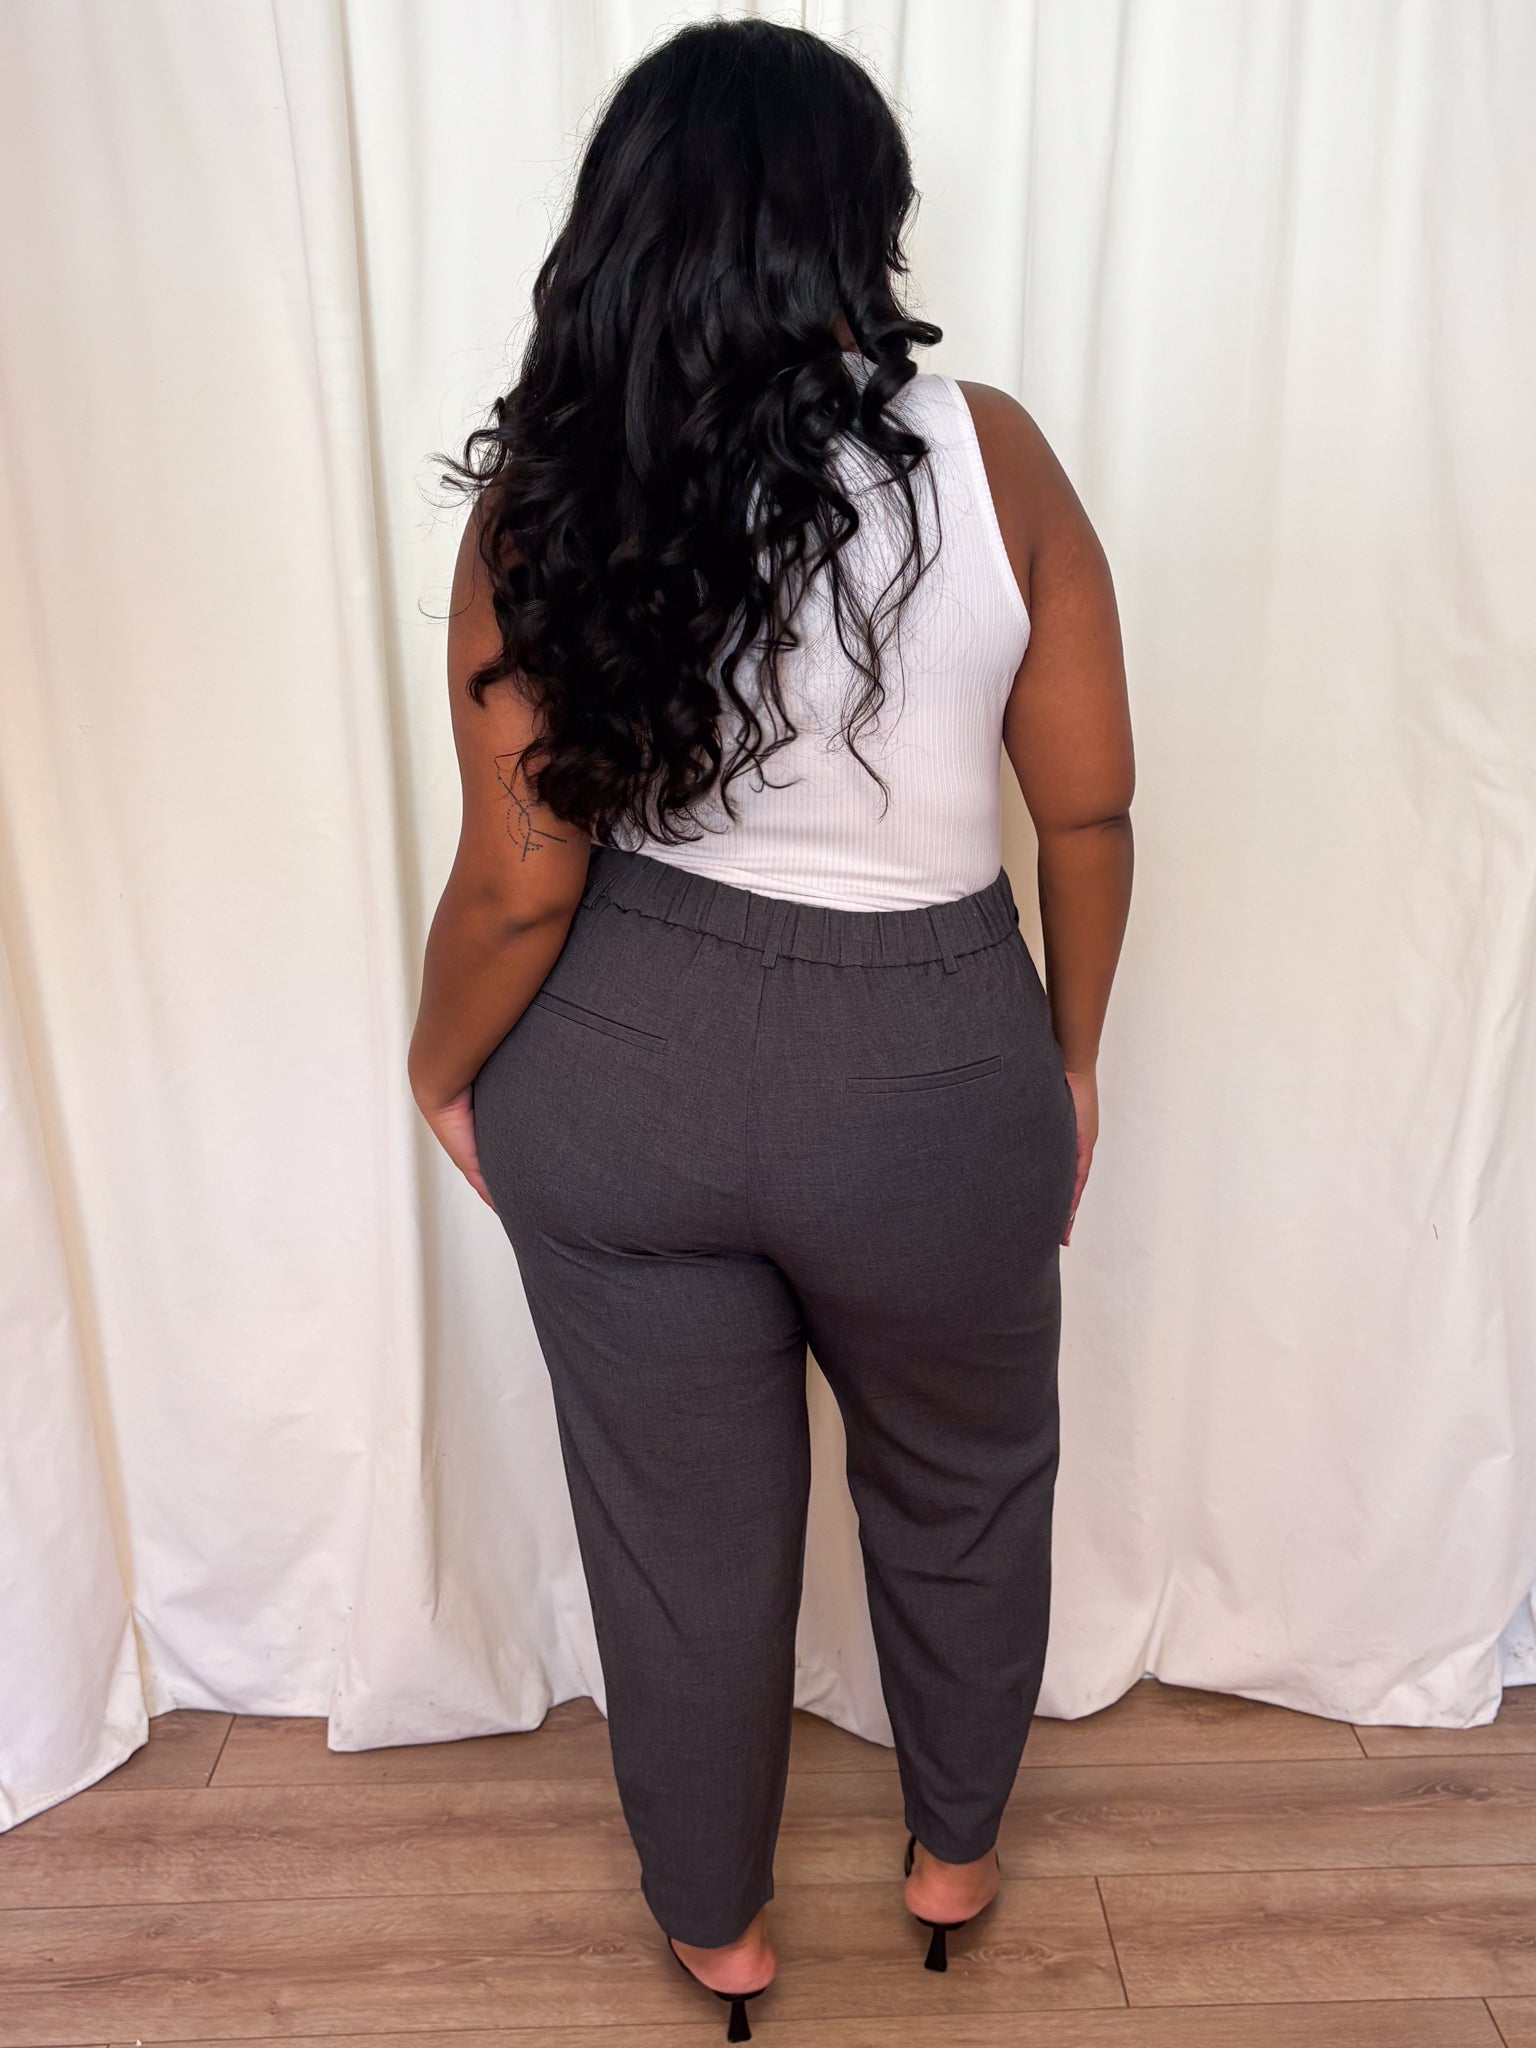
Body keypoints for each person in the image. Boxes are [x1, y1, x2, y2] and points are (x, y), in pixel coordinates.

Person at [409, 17, 1132, 2040]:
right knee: (965, 1479)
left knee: (682, 1534)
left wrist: (437, 1067)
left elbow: (519, 880)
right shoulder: (993, 454)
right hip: (938, 1069)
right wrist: (1068, 1061)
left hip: (625, 1064)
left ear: (622, 227)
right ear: (860, 222)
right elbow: (1087, 814)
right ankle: (953, 1857)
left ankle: (718, 1926)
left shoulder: (550, 493)